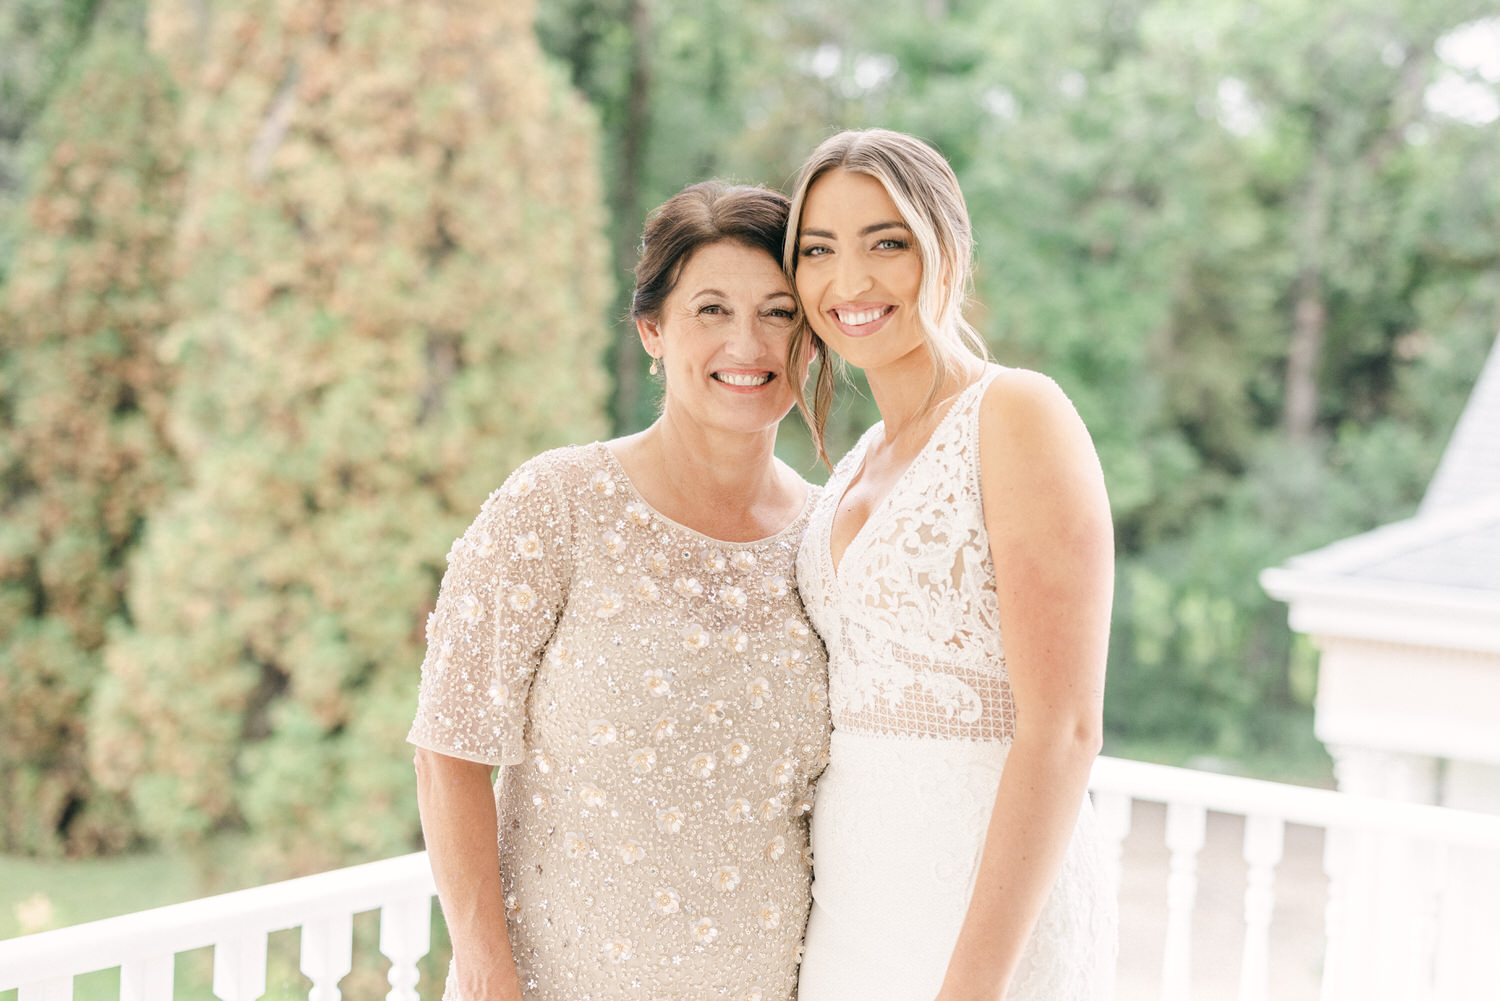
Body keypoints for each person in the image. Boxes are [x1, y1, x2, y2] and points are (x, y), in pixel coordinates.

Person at [409, 180, 830, 1001]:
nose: (748, 343)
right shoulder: (557, 502)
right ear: (651, 330)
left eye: (779, 312)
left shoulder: (830, 538)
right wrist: (494, 985)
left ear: (811, 340)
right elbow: (447, 753)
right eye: (711, 309)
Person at [784, 129, 1118, 1000]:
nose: (847, 282)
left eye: (885, 243)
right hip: (853, 911)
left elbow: (1067, 730)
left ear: (949, 251)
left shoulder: (1017, 413)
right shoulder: (856, 460)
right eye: (817, 250)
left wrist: (972, 987)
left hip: (982, 921)